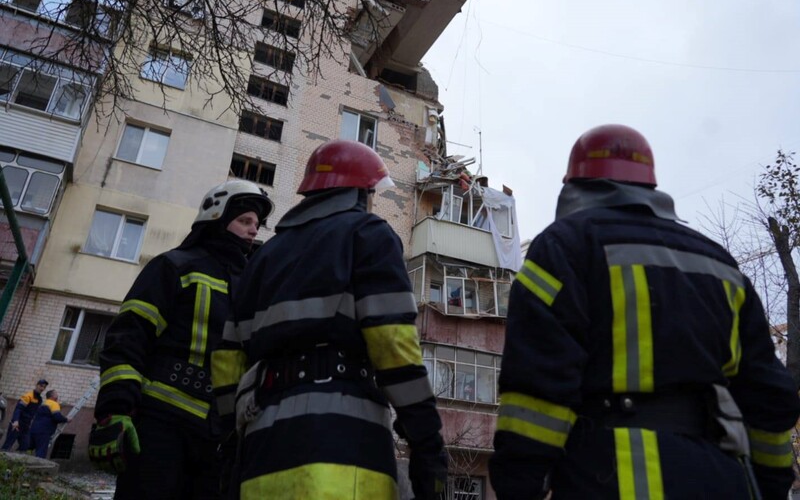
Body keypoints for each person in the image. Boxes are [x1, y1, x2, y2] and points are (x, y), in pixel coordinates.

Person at [490, 124, 800, 500]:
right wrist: (770, 486)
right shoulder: (721, 265)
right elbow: (768, 400)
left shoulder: (564, 247)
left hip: (611, 476)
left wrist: (517, 486)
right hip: (721, 477)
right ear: (649, 187)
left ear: (575, 185)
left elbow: (537, 392)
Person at [212, 139, 447, 500]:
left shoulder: (263, 257)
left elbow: (227, 359)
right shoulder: (368, 235)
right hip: (344, 454)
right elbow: (394, 345)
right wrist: (427, 439)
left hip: (261, 457)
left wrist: (231, 439)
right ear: (358, 192)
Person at [88, 180, 273, 499]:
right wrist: (115, 407)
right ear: (216, 216)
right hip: (159, 424)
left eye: (256, 224)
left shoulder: (251, 287)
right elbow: (129, 337)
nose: (254, 230)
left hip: (219, 437)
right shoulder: (173, 266)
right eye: (245, 220)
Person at [1, 378, 47, 452]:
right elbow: (18, 409)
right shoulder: (28, 396)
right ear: (37, 385)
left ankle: (16, 460)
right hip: (17, 424)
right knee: (8, 444)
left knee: (25, 445)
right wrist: (16, 421)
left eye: (44, 387)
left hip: (26, 426)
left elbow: (34, 412)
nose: (42, 388)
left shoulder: (39, 399)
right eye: (41, 386)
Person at [30, 389, 69, 458]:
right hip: (44, 432)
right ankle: (38, 467)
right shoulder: (54, 404)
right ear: (52, 396)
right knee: (40, 452)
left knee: (29, 449)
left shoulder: (43, 403)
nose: (58, 395)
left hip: (34, 429)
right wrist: (66, 419)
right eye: (56, 394)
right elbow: (57, 417)